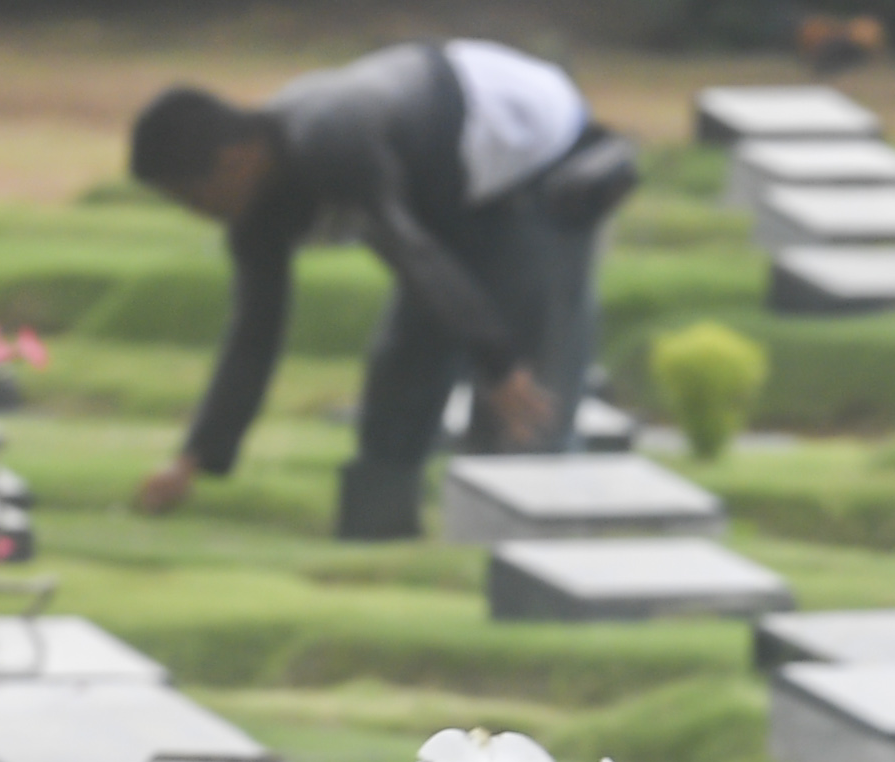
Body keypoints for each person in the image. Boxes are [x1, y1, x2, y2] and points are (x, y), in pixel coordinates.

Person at [125, 44, 636, 536]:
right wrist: (195, 458)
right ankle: (378, 532)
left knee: (529, 389)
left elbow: (413, 256)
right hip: (443, 187)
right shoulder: (255, 212)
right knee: (402, 369)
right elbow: (255, 333)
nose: (197, 212)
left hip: (535, 157)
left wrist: (499, 364)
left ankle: (521, 541)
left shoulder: (329, 138)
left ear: (236, 158)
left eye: (192, 196)